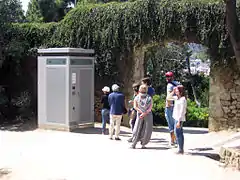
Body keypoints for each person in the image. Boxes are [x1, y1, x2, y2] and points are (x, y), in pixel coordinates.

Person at [130, 85, 153, 149]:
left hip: (139, 114)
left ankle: (134, 144)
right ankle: (143, 144)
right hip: (148, 115)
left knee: (137, 128)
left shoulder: (137, 97)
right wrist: (145, 113)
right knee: (146, 129)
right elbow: (150, 108)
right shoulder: (149, 98)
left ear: (140, 89)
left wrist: (141, 112)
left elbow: (135, 107)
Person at [167, 85, 187, 154]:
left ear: (180, 91)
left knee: (178, 133)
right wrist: (173, 91)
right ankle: (180, 148)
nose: (176, 91)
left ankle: (181, 149)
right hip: (175, 117)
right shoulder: (176, 98)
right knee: (178, 133)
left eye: (177, 90)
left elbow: (182, 111)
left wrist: (179, 121)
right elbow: (168, 98)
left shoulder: (183, 99)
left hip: (179, 119)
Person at [165, 71, 180, 147]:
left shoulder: (169, 85)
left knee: (171, 124)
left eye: (169, 76)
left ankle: (173, 141)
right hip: (176, 106)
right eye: (167, 76)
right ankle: (176, 140)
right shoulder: (177, 84)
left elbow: (169, 97)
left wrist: (168, 104)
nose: (168, 78)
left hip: (170, 106)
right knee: (176, 123)